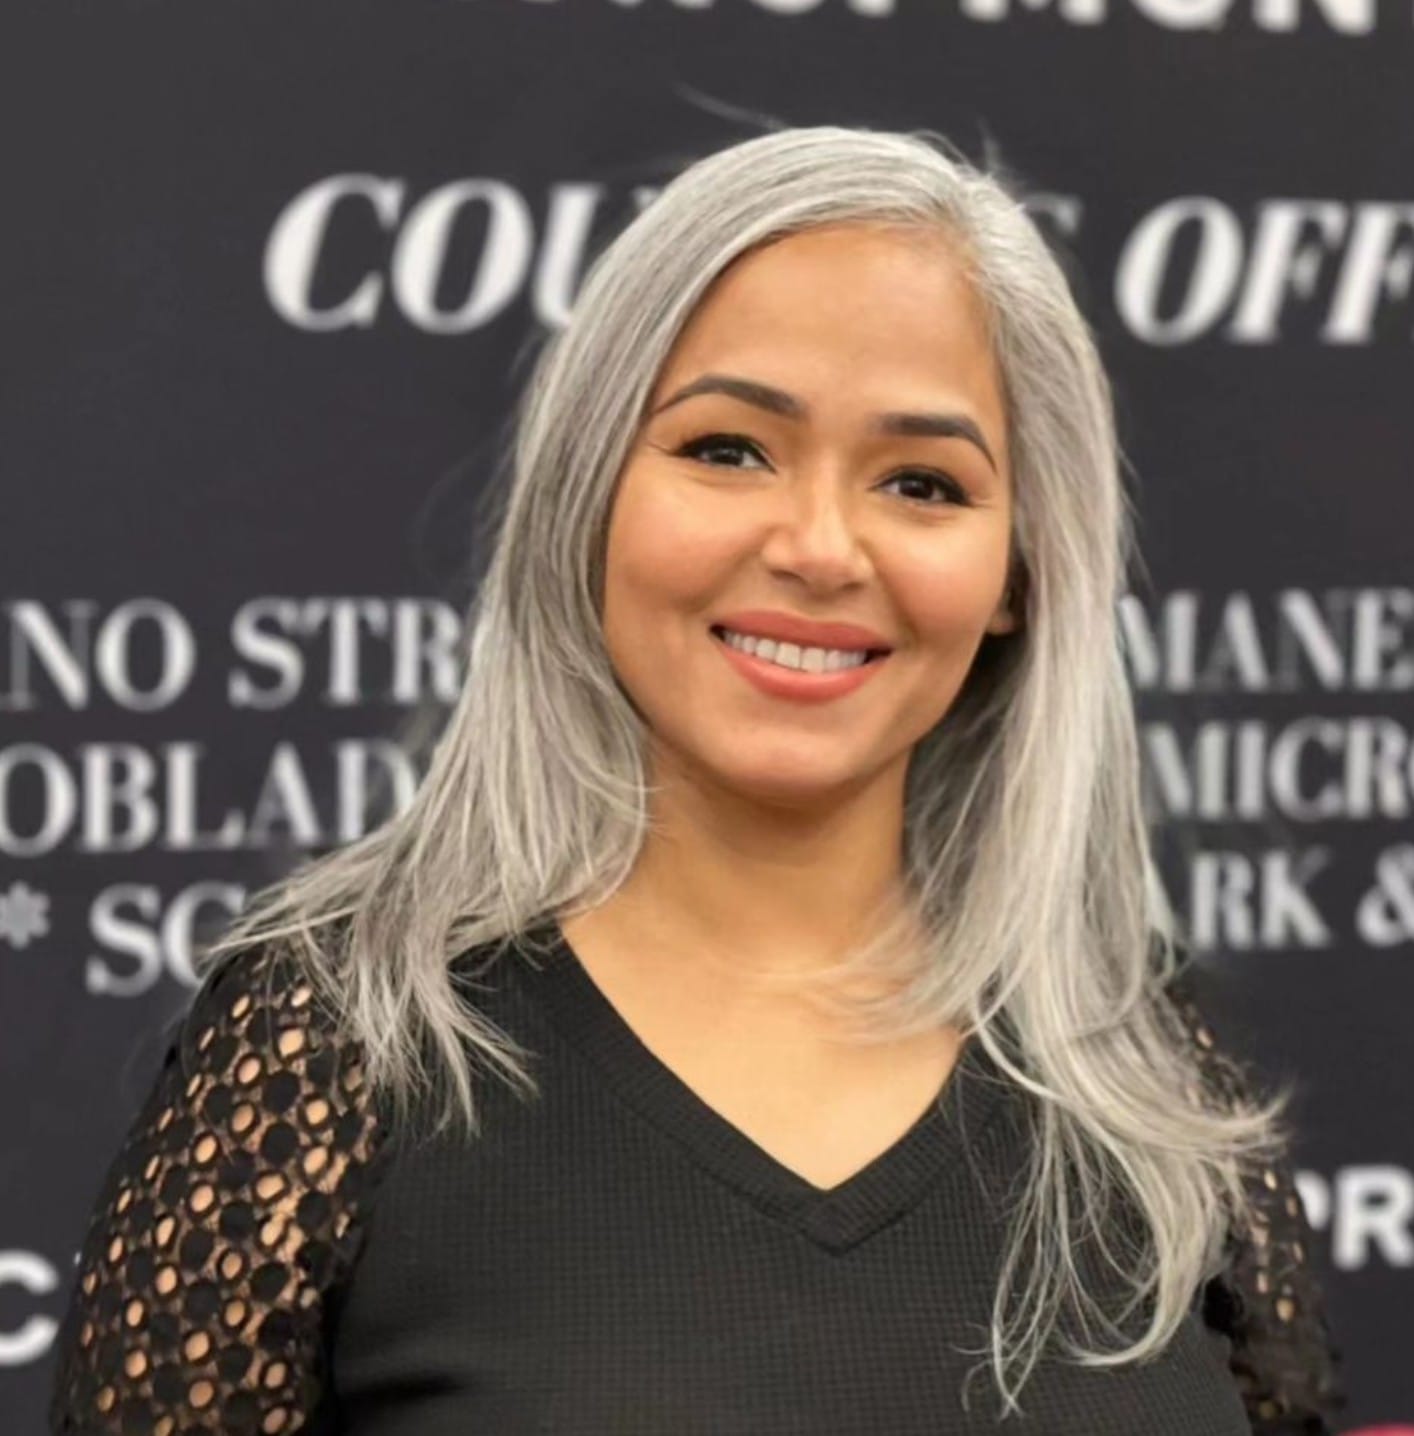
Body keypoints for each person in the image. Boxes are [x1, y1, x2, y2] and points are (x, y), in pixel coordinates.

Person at [48, 125, 1344, 1434]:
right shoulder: (340, 1042)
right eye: (727, 449)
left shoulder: (1139, 1057)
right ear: (588, 492)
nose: (821, 547)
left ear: (1020, 570)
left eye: (921, 482)